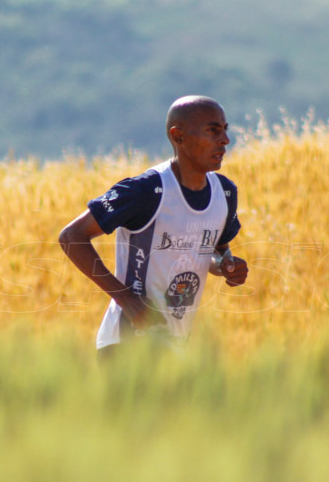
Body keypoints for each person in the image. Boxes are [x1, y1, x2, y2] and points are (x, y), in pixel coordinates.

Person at [58, 95, 249, 357]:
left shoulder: (225, 193)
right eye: (213, 130)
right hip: (128, 342)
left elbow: (215, 252)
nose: (225, 140)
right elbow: (71, 237)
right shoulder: (146, 190)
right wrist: (126, 300)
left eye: (225, 130)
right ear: (178, 136)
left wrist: (227, 267)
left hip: (176, 346)